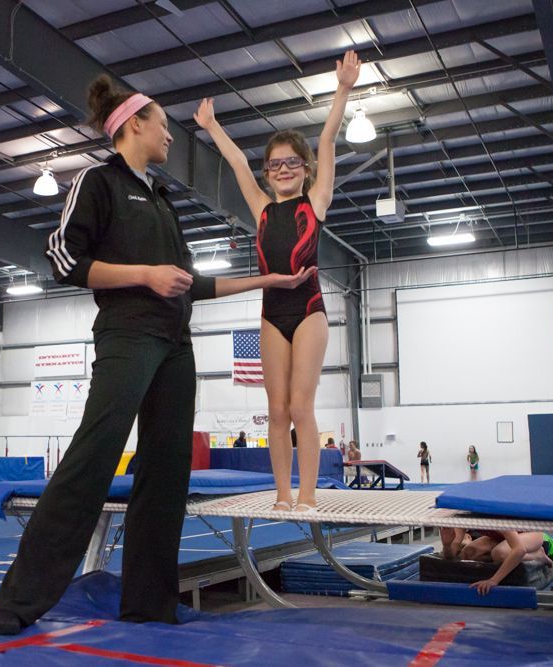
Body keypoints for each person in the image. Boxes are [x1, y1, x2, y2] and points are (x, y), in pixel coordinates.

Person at [0, 74, 312, 637]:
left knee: (166, 475)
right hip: (129, 336)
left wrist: (270, 281)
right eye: (163, 125)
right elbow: (63, 259)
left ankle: (149, 603)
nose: (169, 136)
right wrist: (143, 275)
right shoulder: (100, 180)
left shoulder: (161, 198)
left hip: (175, 347)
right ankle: (16, 605)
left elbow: (186, 282)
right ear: (134, 123)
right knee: (93, 458)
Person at [194, 51, 361, 513]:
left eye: (291, 163)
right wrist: (212, 127)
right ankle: (283, 494)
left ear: (305, 169)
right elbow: (236, 165)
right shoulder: (262, 208)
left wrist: (343, 88)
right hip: (272, 313)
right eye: (274, 165)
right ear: (267, 173)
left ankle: (307, 494)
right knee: (276, 410)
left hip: (309, 311)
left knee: (301, 407)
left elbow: (327, 140)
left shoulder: (316, 200)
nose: (282, 169)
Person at [456, 530, 553, 595]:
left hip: (537, 539)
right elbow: (454, 551)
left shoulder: (496, 512)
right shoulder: (462, 511)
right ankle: (514, 554)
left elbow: (519, 549)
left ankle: (539, 555)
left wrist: (494, 580)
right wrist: (447, 545)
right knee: (470, 552)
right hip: (506, 538)